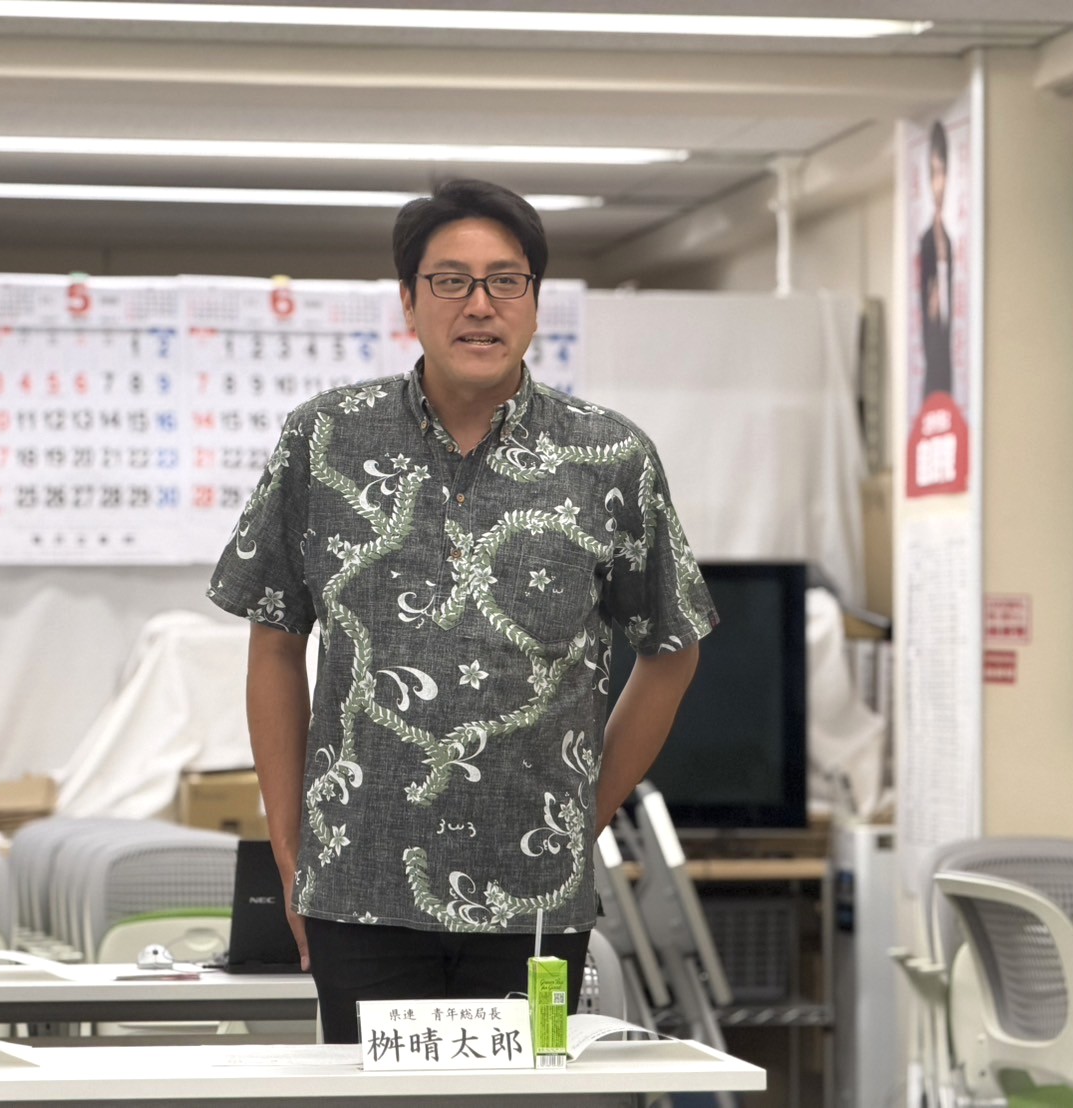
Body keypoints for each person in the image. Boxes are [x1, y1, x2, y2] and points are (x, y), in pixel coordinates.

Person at [209, 178, 715, 1044]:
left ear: (534, 301)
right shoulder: (324, 439)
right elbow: (274, 644)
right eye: (450, 281)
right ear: (408, 301)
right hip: (358, 888)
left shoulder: (609, 456)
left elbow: (672, 649)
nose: (479, 305)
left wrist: (584, 815)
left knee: (522, 1102)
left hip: (534, 900)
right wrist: (291, 850)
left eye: (504, 281)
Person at [919, 119, 954, 401]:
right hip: (935, 358)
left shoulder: (955, 239)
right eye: (933, 174)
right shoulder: (927, 240)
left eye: (941, 173)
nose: (938, 184)